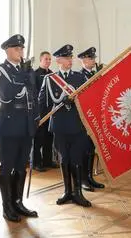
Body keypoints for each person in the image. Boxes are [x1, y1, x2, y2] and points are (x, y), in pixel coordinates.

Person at [0, 34, 38, 222]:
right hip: (10, 124)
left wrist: (35, 119)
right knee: (8, 166)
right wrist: (23, 75)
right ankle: (7, 206)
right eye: (17, 48)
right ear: (7, 50)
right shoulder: (0, 70)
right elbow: (7, 94)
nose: (20, 52)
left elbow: (33, 94)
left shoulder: (27, 70)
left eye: (22, 48)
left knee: (21, 165)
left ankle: (18, 202)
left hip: (26, 123)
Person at [39, 44, 91, 207]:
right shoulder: (49, 79)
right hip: (59, 127)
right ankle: (67, 192)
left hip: (77, 126)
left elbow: (88, 99)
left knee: (76, 159)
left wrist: (75, 100)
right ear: (59, 60)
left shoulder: (79, 77)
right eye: (67, 58)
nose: (71, 60)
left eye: (71, 57)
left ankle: (78, 193)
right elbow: (42, 102)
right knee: (64, 159)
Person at [77, 47, 105, 192]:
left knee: (91, 150)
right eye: (91, 58)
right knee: (83, 150)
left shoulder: (95, 74)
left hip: (94, 117)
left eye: (94, 58)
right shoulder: (79, 76)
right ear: (83, 60)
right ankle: (82, 179)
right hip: (84, 119)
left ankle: (89, 177)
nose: (94, 61)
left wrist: (101, 76)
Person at [33, 51, 57, 172]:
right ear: (40, 60)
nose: (48, 61)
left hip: (51, 111)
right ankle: (37, 163)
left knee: (49, 137)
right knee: (39, 138)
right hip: (40, 112)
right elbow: (33, 94)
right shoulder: (35, 74)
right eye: (46, 59)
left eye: (49, 59)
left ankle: (48, 161)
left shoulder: (53, 74)